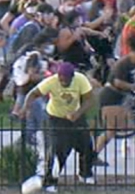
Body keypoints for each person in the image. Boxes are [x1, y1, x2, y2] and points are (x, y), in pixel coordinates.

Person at [91, 36, 135, 163]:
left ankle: (93, 155)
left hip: (119, 98)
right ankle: (92, 155)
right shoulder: (124, 63)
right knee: (113, 130)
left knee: (113, 131)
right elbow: (117, 82)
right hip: (111, 97)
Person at [24, 61, 96, 189]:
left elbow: (89, 99)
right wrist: (26, 108)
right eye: (60, 79)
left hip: (76, 117)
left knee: (86, 145)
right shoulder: (51, 81)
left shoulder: (81, 80)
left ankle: (85, 174)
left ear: (72, 77)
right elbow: (33, 93)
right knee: (58, 150)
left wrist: (78, 113)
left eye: (65, 80)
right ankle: (51, 181)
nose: (62, 82)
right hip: (55, 118)